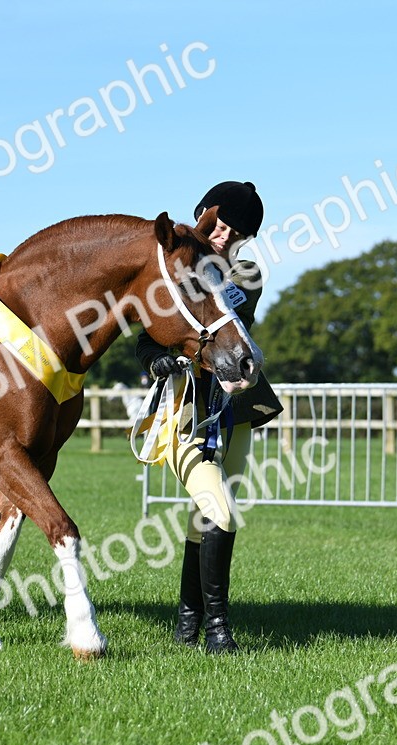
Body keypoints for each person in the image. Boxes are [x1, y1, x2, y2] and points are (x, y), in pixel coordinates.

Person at [136, 180, 282, 653]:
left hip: (234, 408)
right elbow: (147, 338)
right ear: (203, 214)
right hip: (186, 408)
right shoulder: (172, 266)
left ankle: (187, 624)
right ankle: (218, 632)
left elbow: (227, 334)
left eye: (235, 232)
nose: (223, 235)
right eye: (218, 224)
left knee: (211, 513)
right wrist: (153, 360)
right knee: (220, 508)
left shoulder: (246, 276)